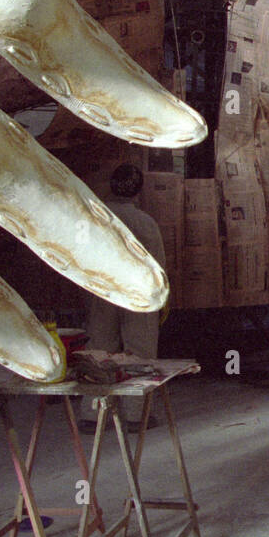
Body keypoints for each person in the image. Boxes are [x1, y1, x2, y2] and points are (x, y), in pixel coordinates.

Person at [85, 163, 167, 426]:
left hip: (103, 290)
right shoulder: (145, 222)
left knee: (98, 349)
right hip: (138, 294)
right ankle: (134, 415)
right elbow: (158, 267)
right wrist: (162, 301)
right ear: (138, 191)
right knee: (139, 353)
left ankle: (92, 414)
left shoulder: (99, 218)